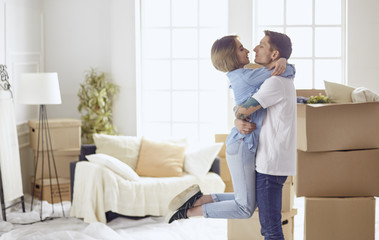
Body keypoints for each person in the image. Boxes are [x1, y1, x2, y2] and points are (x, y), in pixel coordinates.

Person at [165, 34, 295, 228]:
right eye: (242, 48)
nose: (249, 50)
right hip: (242, 144)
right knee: (245, 208)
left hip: (244, 142)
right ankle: (190, 211)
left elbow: (247, 106)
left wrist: (238, 117)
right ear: (232, 56)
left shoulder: (241, 75)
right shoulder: (248, 76)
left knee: (250, 199)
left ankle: (201, 199)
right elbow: (284, 70)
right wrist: (285, 61)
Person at [234, 30, 296, 240]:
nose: (254, 48)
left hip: (270, 163)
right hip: (273, 162)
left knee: (270, 229)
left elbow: (244, 110)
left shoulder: (275, 82)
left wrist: (237, 116)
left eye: (261, 45)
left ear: (274, 54)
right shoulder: (280, 77)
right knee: (270, 226)